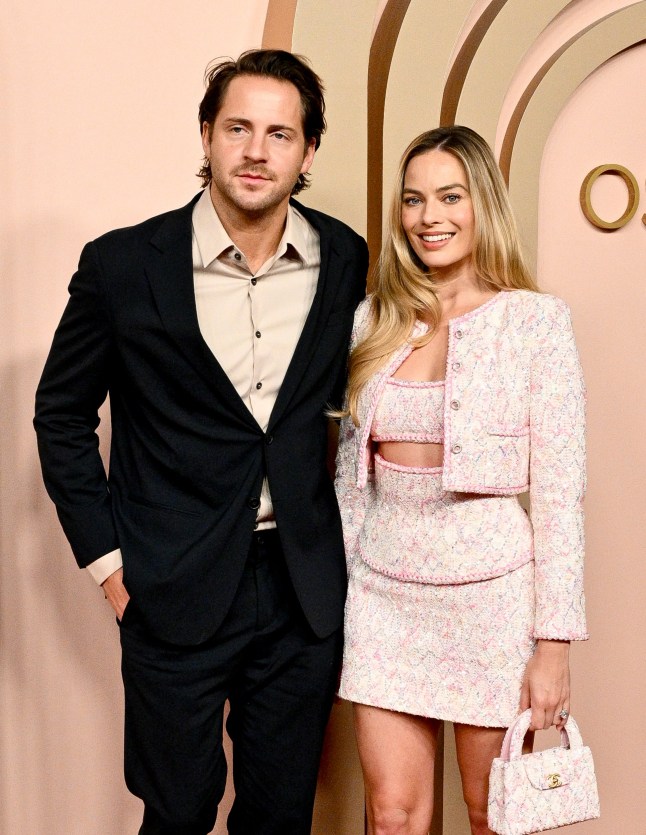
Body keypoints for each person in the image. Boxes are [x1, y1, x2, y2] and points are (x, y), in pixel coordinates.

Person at [34, 49, 367, 835]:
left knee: (281, 814)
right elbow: (61, 415)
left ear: (308, 151)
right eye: (239, 128)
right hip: (168, 584)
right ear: (208, 136)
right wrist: (112, 568)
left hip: (300, 590)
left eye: (281, 133)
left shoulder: (345, 257)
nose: (257, 150)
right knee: (177, 811)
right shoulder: (122, 265)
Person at [334, 125, 587, 835]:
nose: (429, 216)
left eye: (450, 196)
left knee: (494, 816)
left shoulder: (537, 323)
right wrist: (345, 589)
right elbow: (351, 481)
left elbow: (562, 496)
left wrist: (554, 645)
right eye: (413, 200)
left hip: (494, 599)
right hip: (384, 597)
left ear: (483, 205)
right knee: (391, 815)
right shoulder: (373, 319)